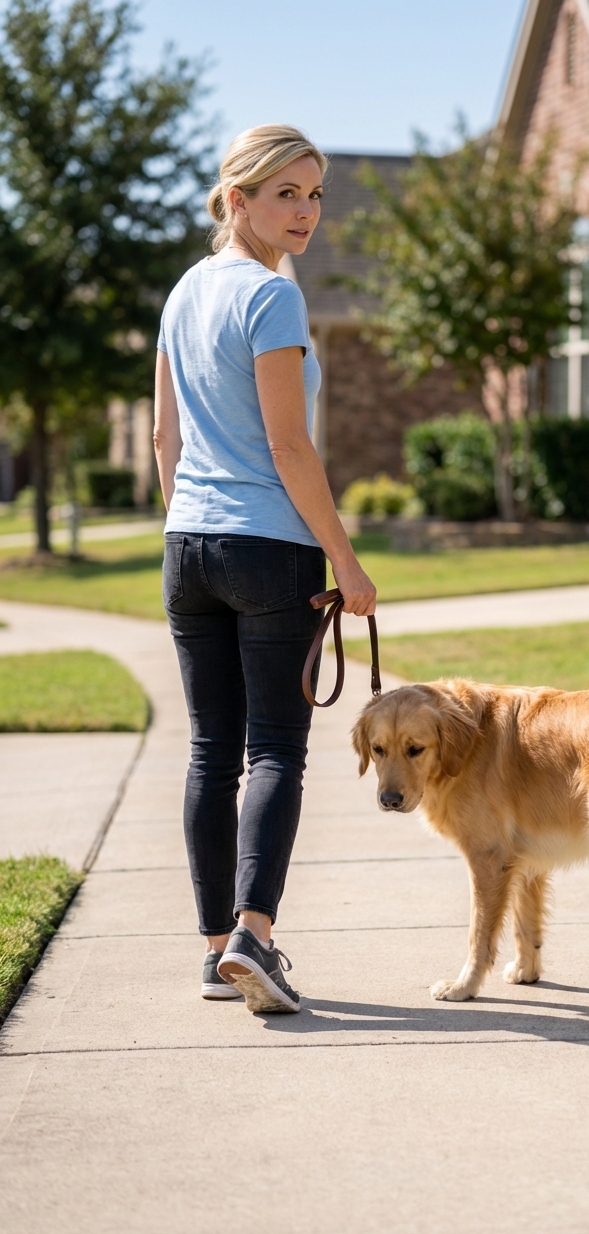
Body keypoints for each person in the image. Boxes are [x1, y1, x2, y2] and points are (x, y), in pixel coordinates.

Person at [153, 125, 376, 1014]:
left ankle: (216, 952)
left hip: (188, 549)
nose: (307, 212)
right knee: (275, 746)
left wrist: (189, 521)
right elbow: (290, 445)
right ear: (237, 199)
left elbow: (167, 440)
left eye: (315, 194)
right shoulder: (271, 300)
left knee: (212, 749)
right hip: (267, 549)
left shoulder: (181, 295)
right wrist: (347, 562)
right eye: (286, 193)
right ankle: (255, 936)